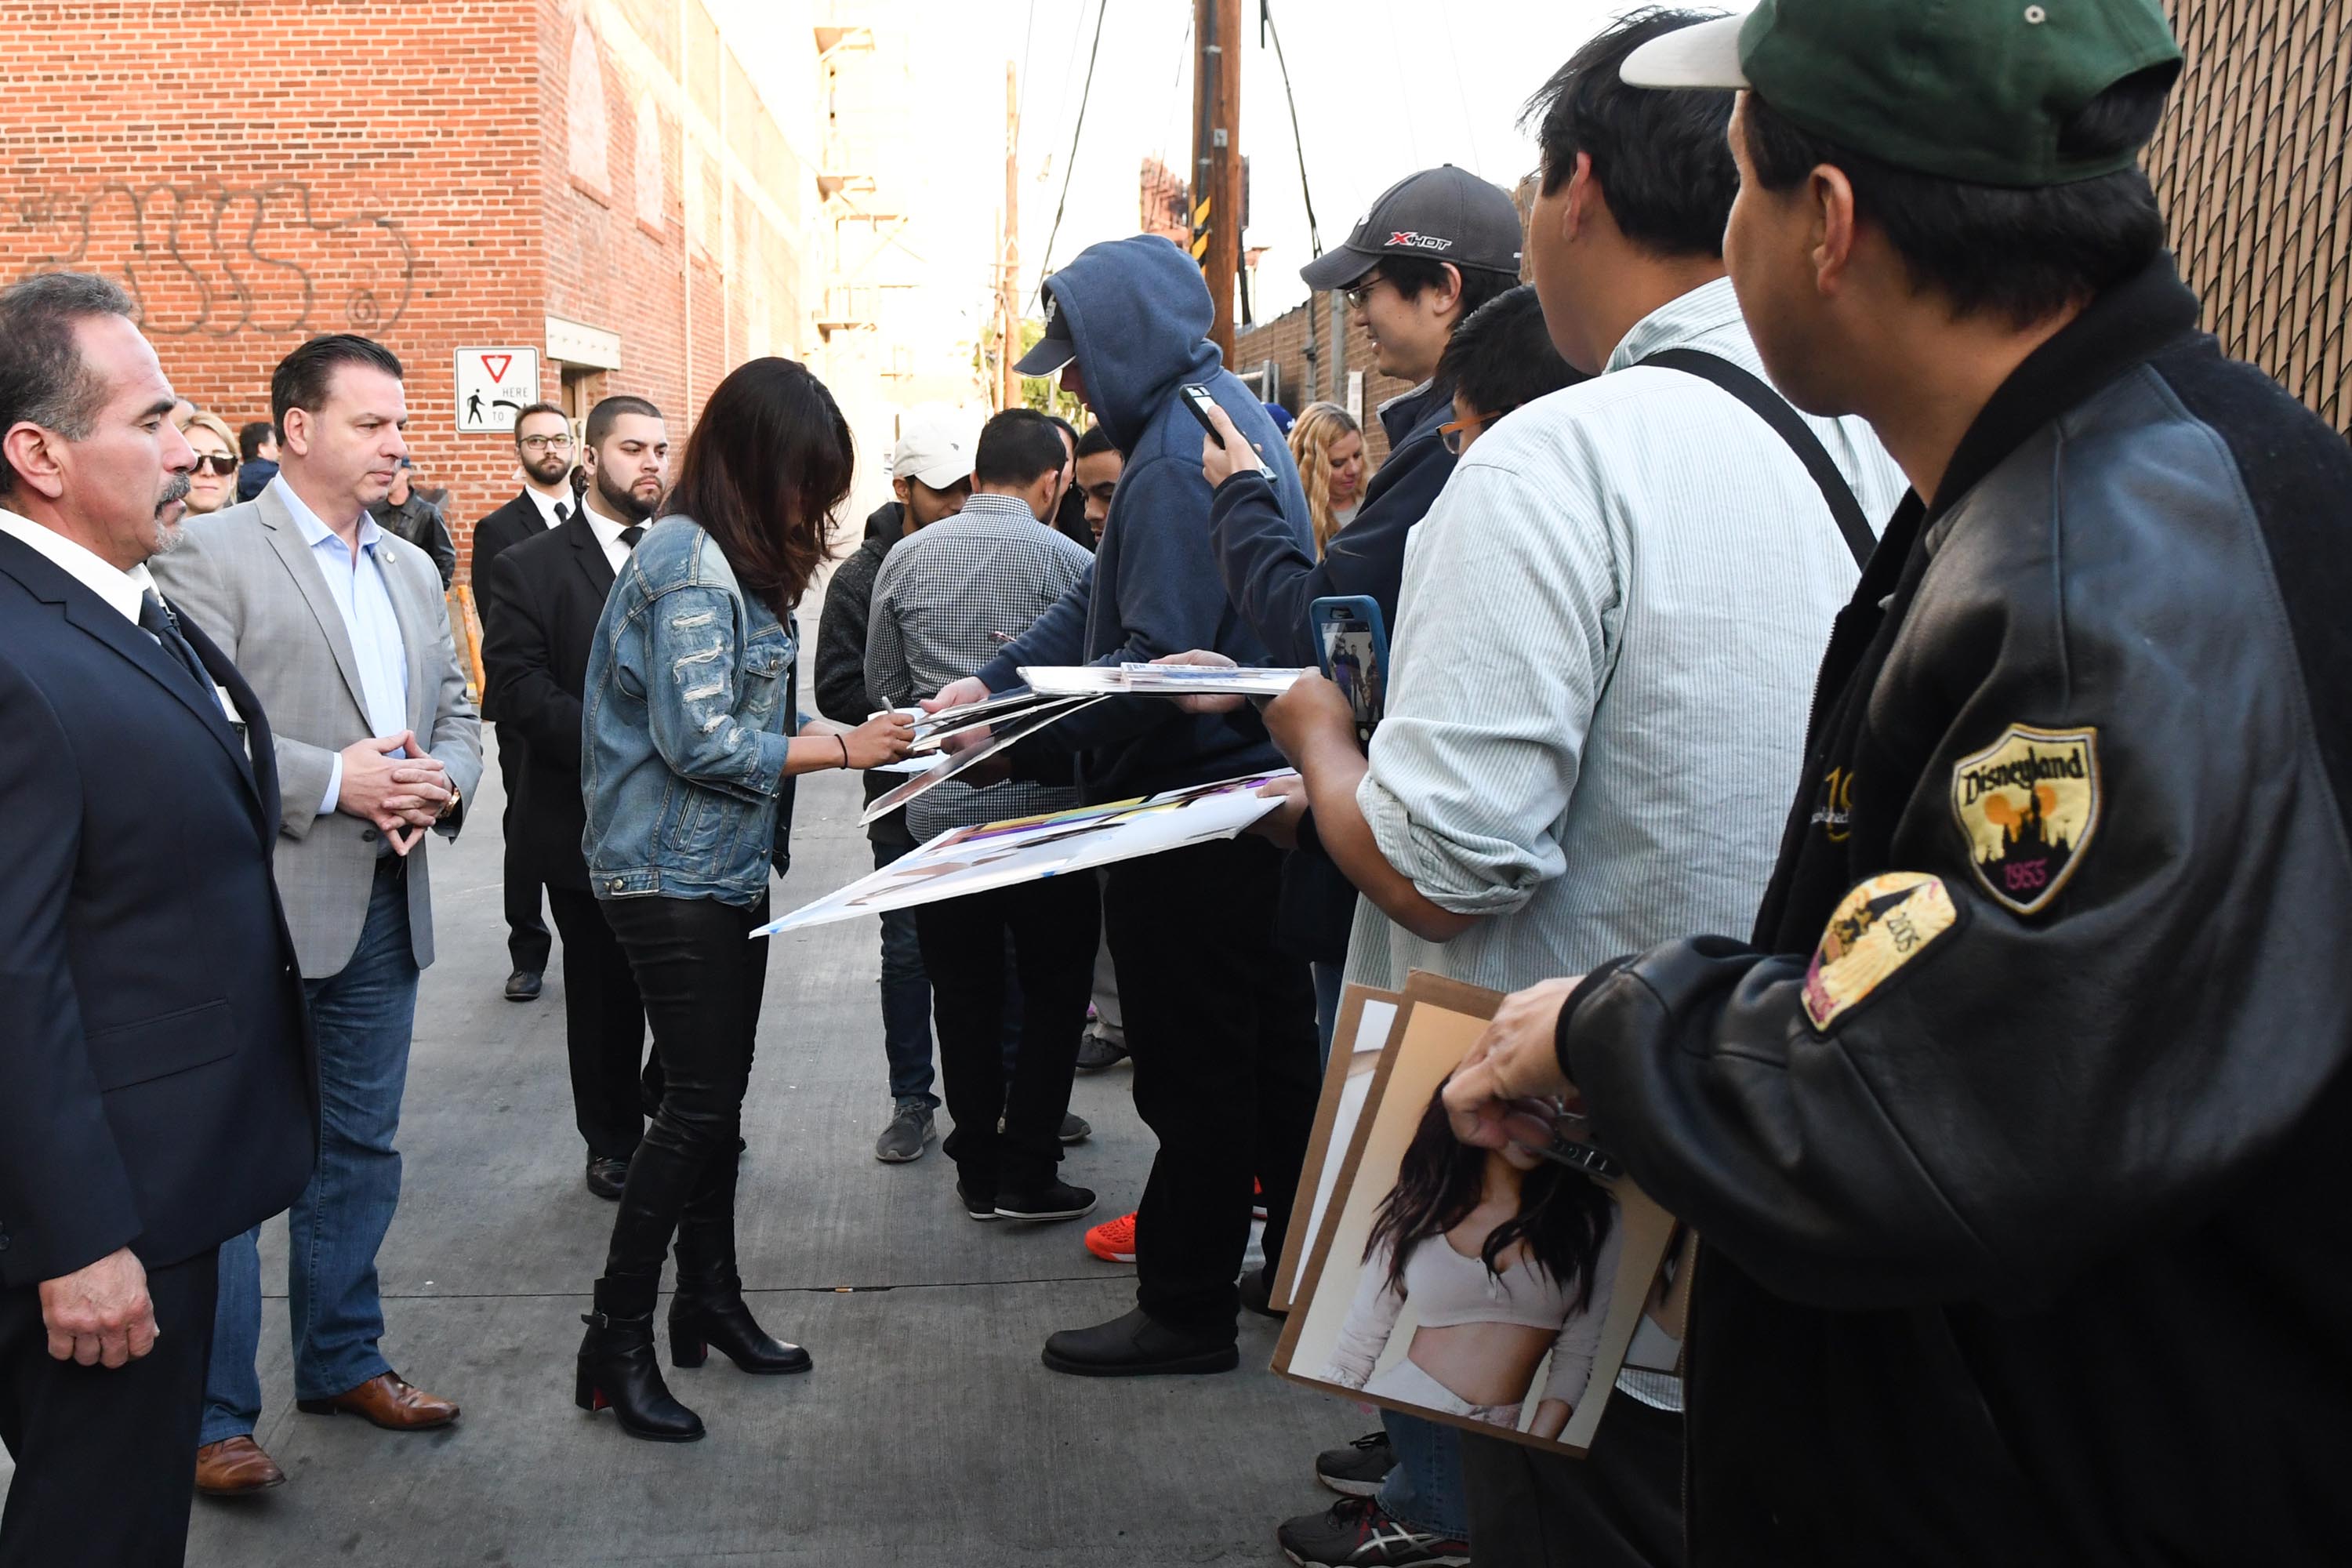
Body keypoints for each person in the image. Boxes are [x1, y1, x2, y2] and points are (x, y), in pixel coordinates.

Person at [1446, 3, 2352, 1563]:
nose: (1722, 232)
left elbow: (1947, 1098)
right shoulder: (2094, 471)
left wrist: (1610, 1024)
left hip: (2095, 1477)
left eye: (1740, 184)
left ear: (1833, 226)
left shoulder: (2101, 571)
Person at [1221, 15, 1907, 1564]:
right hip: (1830, 1172)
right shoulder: (1889, 442)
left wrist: (1323, 736)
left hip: (1587, 1225)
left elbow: (1441, 862)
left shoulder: (1552, 459)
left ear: (1578, 187)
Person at [928, 234, 1321, 1378]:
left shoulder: (1159, 462)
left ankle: (1186, 1305)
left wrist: (1009, 737)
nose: (1074, 386)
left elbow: (1148, 666)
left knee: (1192, 1067)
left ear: (1129, 343)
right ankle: (1293, 1264)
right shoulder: (1215, 414)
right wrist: (994, 681)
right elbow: (1099, 616)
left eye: (1083, 359)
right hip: (1252, 806)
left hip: (1187, 816)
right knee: (1267, 1051)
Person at [0, 272, 314, 1565]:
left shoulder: (119, 602)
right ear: (39, 454)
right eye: (155, 418)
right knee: (100, 1535)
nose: (192, 447)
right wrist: (80, 1241)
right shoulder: (18, 657)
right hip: (102, 1223)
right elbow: (10, 977)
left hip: (169, 1182)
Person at [152, 332, 485, 1493]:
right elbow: (198, 729)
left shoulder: (406, 565)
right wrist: (341, 781)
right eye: (373, 424)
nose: (399, 444)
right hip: (265, 907)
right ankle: (214, 1417)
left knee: (360, 1146)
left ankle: (344, 1357)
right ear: (297, 431)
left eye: (400, 424)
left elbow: (458, 708)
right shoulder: (206, 553)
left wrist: (441, 782)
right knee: (243, 1167)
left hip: (389, 892)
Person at [574, 357, 914, 1443]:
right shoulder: (685, 560)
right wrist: (841, 747)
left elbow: (737, 712)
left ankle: (709, 1301)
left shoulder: (725, 557)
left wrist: (874, 727)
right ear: (755, 464)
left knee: (707, 1097)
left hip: (718, 868)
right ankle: (613, 1337)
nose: (812, 505)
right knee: (696, 1108)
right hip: (666, 871)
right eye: (803, 479)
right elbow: (698, 738)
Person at [865, 408, 1099, 1225]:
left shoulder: (904, 557)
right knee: (1051, 995)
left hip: (943, 823)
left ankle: (975, 1165)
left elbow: (883, 687)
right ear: (1051, 480)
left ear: (976, 472)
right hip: (1048, 819)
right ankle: (1030, 1165)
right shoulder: (1074, 561)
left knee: (959, 992)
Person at [479, 395, 669, 1202]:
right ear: (591, 459)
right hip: (584, 822)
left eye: (662, 448)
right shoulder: (528, 565)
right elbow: (519, 691)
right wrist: (635, 739)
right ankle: (613, 1138)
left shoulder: (694, 555)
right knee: (602, 993)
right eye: (632, 448)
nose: (652, 463)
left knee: (696, 987)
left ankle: (677, 1109)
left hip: (691, 821)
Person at [813, 416, 972, 1164]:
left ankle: (1001, 1095)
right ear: (903, 487)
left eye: (964, 489)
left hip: (981, 784)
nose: (955, 503)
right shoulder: (859, 576)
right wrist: (918, 710)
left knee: (993, 947)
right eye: (941, 491)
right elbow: (837, 685)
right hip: (903, 791)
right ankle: (913, 1101)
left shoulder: (973, 552)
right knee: (907, 949)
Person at [1321, 1084, 1621, 1443]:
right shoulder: (1421, 1203)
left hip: (1499, 1435)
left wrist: (1535, 1446)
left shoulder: (1595, 1218)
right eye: (1527, 1105)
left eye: (1564, 1112)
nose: (1540, 1128)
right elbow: (1360, 1340)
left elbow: (1578, 1351)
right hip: (1409, 1409)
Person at [468, 401, 578, 1004]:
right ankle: (528, 951)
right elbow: (501, 625)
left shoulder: (595, 518)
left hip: (594, 701)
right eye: (536, 442)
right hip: (529, 709)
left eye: (558, 439)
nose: (549, 451)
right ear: (520, 452)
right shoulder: (499, 529)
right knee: (528, 826)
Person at [1068, 421, 1130, 1084]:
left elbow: (1141, 679)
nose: (1091, 512)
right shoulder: (1094, 563)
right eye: (1085, 495)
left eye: (1107, 493)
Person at [1286, 402, 1365, 554]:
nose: (1353, 469)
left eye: (1357, 455)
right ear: (1310, 465)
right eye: (1338, 463)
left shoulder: (1377, 501)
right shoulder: (1293, 515)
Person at [369, 456, 456, 589]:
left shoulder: (427, 513)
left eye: (392, 472)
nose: (387, 477)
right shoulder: (372, 513)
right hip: (382, 591)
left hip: (416, 590)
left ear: (405, 473)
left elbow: (445, 558)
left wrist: (436, 592)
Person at [1041, 412, 1095, 551]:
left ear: (1073, 472)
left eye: (1062, 459)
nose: (1053, 470)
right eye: (1043, 456)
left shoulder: (1092, 528)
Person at [181, 410, 241, 516]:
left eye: (221, 461)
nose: (208, 472)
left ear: (234, 477)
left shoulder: (255, 531)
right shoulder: (145, 531)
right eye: (195, 461)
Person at [234, 418, 278, 503]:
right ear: (262, 449)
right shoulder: (278, 475)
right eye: (274, 446)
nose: (277, 451)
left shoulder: (235, 476)